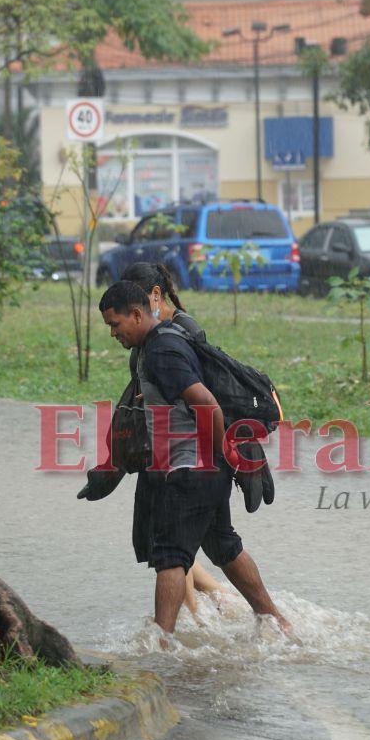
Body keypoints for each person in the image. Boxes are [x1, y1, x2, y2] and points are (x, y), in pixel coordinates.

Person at [98, 280, 289, 637]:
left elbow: (207, 403)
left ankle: (161, 644)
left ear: (137, 314)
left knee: (171, 558)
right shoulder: (163, 342)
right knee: (225, 547)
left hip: (190, 470)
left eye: (115, 324)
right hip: (202, 470)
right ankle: (276, 622)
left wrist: (223, 452)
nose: (113, 333)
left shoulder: (162, 352)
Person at [121, 263, 225, 615]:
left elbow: (204, 395)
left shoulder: (182, 332)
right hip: (161, 451)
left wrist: (219, 456)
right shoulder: (147, 337)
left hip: (188, 458)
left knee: (173, 550)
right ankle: (208, 611)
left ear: (155, 295)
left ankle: (188, 621)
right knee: (184, 546)